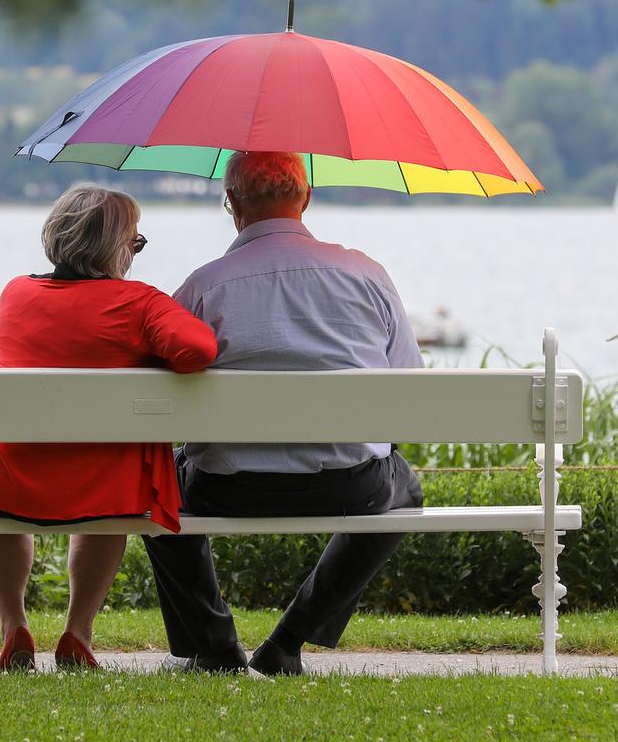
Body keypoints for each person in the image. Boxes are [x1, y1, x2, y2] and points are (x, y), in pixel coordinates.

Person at [143, 151, 425, 676]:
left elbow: (155, 389)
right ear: (306, 198)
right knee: (404, 489)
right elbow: (408, 384)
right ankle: (289, 641)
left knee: (156, 489)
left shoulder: (205, 285)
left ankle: (214, 647)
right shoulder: (367, 275)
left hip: (225, 486)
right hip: (349, 483)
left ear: (232, 203)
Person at [0, 183, 217, 671]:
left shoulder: (16, 294)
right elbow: (197, 351)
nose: (134, 253)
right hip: (98, 483)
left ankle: (13, 626)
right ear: (116, 247)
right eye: (135, 242)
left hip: (8, 476)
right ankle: (78, 631)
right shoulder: (139, 304)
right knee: (107, 479)